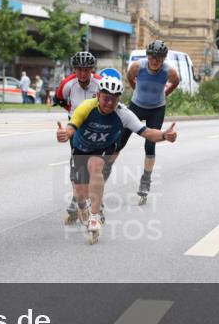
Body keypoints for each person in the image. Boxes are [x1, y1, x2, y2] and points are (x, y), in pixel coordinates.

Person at [56, 76, 177, 244]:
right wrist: (65, 134)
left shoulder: (124, 113)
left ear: (119, 99)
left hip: (103, 148)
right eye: (106, 98)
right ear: (98, 96)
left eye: (114, 99)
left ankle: (95, 216)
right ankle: (83, 207)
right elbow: (71, 127)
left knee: (95, 165)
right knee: (80, 194)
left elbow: (147, 132)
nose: (109, 103)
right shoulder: (86, 107)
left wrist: (165, 135)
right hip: (80, 149)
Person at [116, 39, 180, 203]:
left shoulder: (169, 71)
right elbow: (130, 77)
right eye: (152, 57)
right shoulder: (138, 66)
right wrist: (136, 89)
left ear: (164, 59)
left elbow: (176, 82)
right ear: (148, 56)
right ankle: (103, 171)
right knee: (120, 141)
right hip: (137, 105)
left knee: (150, 144)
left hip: (157, 109)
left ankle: (145, 181)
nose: (155, 61)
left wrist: (165, 93)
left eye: (159, 58)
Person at [54, 51, 102, 224]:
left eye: (86, 70)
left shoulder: (99, 82)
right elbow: (58, 98)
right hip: (75, 124)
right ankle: (78, 199)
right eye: (79, 70)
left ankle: (93, 201)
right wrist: (71, 110)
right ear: (74, 69)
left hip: (95, 124)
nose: (82, 73)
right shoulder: (68, 83)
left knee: (94, 164)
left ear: (92, 70)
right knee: (78, 162)